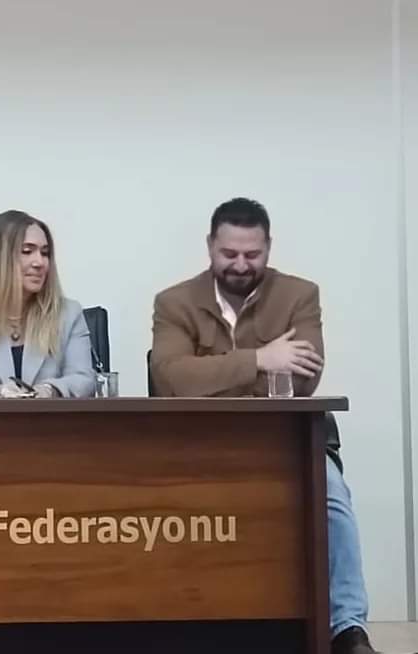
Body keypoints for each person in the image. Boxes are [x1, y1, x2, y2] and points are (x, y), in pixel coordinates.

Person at [150, 197, 378, 654]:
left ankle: (347, 629)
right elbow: (170, 379)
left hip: (285, 441)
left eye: (252, 254)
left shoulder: (299, 295)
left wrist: (213, 374)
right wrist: (261, 359)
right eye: (229, 253)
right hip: (200, 444)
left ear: (268, 248)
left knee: (331, 498)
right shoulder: (174, 302)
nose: (240, 264)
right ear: (210, 246)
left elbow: (304, 379)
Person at [0, 210, 96, 398]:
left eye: (45, 253)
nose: (40, 262)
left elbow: (83, 380)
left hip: (51, 416)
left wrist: (48, 390)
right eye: (27, 251)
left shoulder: (68, 314)